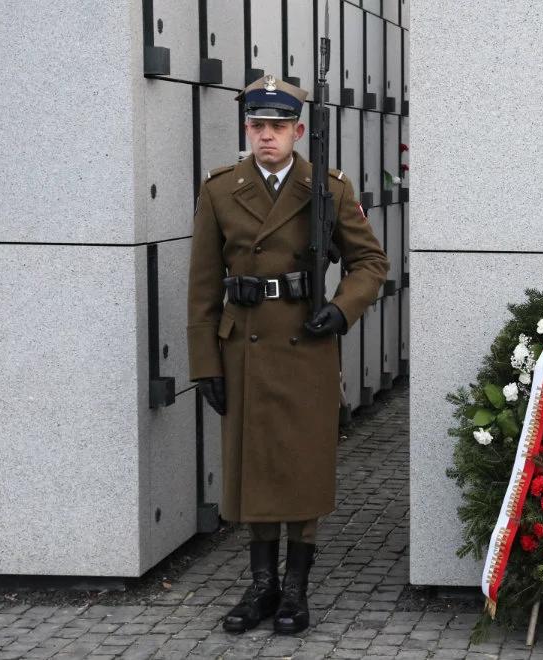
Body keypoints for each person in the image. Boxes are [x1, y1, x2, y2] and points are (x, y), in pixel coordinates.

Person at [187, 75, 389, 634]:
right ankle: (261, 587)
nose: (267, 137)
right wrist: (205, 363)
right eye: (258, 126)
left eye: (279, 127)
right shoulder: (221, 189)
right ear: (246, 128)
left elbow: (370, 263)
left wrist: (343, 309)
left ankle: (296, 591)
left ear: (299, 131)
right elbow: (202, 287)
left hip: (307, 342)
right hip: (244, 346)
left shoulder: (328, 188)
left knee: (301, 464)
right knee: (254, 465)